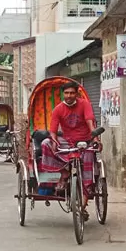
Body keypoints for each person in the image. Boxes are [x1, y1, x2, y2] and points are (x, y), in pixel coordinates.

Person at [40, 81, 97, 219]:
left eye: (72, 93)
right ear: (63, 94)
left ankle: (84, 196)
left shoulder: (84, 104)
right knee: (45, 143)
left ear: (76, 93)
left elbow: (90, 120)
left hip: (84, 141)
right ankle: (64, 172)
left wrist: (95, 138)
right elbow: (53, 129)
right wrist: (54, 140)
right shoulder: (59, 109)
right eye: (66, 93)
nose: (69, 95)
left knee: (89, 156)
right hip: (67, 141)